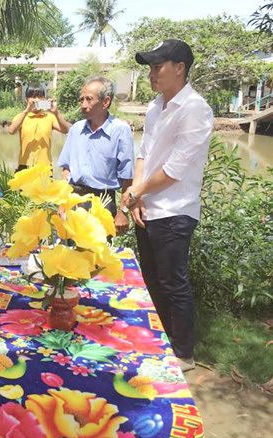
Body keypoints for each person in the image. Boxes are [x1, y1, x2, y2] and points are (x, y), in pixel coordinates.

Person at [122, 39, 213, 372]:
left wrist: (135, 192)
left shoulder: (195, 109)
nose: (152, 74)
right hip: (147, 208)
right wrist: (137, 195)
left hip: (175, 210)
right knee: (151, 279)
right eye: (149, 68)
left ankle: (183, 353)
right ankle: (158, 341)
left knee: (173, 281)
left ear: (179, 68)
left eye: (157, 67)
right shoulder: (154, 107)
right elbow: (144, 153)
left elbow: (176, 168)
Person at [56, 76, 134, 232]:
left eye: (89, 100)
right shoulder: (76, 130)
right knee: (70, 252)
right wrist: (62, 202)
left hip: (103, 203)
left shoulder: (120, 131)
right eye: (81, 100)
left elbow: (127, 177)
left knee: (98, 252)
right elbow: (67, 170)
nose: (83, 105)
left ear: (105, 102)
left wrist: (123, 212)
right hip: (74, 199)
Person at [8, 83, 70, 171]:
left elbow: (66, 130)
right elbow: (11, 131)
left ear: (43, 100)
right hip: (25, 165)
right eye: (33, 97)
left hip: (45, 166)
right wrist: (26, 111)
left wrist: (56, 113)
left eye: (39, 97)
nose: (36, 100)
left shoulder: (50, 117)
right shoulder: (21, 117)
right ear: (26, 100)